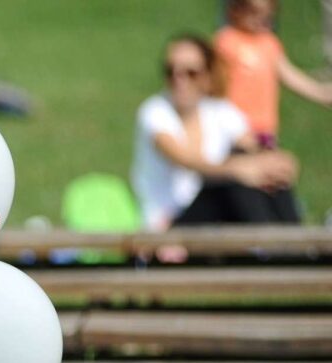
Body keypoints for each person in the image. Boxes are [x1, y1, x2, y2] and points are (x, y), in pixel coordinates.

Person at [130, 33, 300, 240]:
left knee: (261, 171)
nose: (179, 80)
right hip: (172, 221)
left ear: (207, 76)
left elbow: (252, 148)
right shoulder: (155, 112)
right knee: (233, 179)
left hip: (217, 218)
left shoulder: (220, 111)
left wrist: (276, 163)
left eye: (191, 73)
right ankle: (281, 247)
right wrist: (237, 169)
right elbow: (184, 159)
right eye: (170, 71)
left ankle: (297, 244)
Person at [215, 0, 332, 149]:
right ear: (237, 10)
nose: (261, 20)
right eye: (254, 13)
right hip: (234, 126)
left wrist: (322, 93)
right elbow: (214, 80)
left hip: (264, 127)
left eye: (267, 16)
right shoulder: (226, 40)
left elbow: (290, 76)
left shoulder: (270, 44)